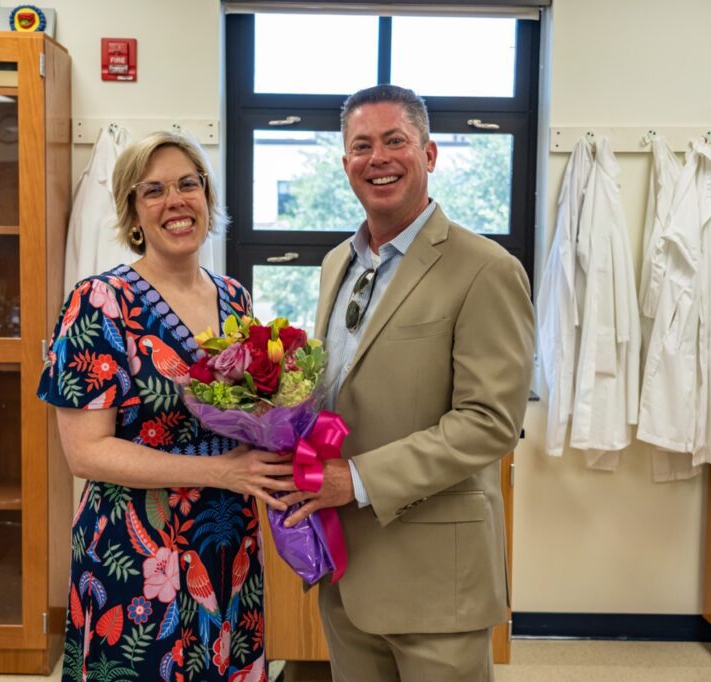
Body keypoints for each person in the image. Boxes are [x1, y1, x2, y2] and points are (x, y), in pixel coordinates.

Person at [280, 85, 535, 681]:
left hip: (433, 579)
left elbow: (489, 423)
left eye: (396, 141)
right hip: (347, 568)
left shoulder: (485, 269)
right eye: (361, 146)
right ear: (345, 164)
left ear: (430, 153)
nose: (379, 158)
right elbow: (342, 388)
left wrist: (358, 479)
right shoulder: (336, 264)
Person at [38, 130, 291, 682]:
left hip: (227, 542)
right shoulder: (99, 302)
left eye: (187, 184)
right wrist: (221, 470)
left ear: (207, 197)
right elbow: (86, 454)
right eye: (153, 191)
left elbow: (247, 410)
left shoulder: (234, 299)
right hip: (138, 551)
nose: (175, 201)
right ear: (132, 212)